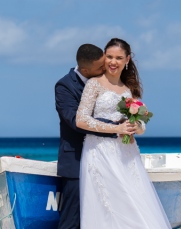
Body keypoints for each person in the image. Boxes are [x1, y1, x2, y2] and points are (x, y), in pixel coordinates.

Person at [76, 38, 171, 229]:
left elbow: (141, 125)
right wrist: (116, 128)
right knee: (108, 204)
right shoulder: (94, 84)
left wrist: (137, 128)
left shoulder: (129, 90)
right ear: (104, 57)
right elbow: (81, 119)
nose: (113, 62)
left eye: (119, 58)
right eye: (109, 57)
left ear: (127, 60)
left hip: (127, 154)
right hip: (99, 151)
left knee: (133, 203)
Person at [55, 43, 107, 229]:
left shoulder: (105, 81)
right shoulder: (64, 86)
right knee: (72, 219)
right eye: (100, 67)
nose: (105, 68)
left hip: (105, 158)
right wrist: (113, 127)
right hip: (75, 160)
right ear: (85, 69)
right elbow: (73, 120)